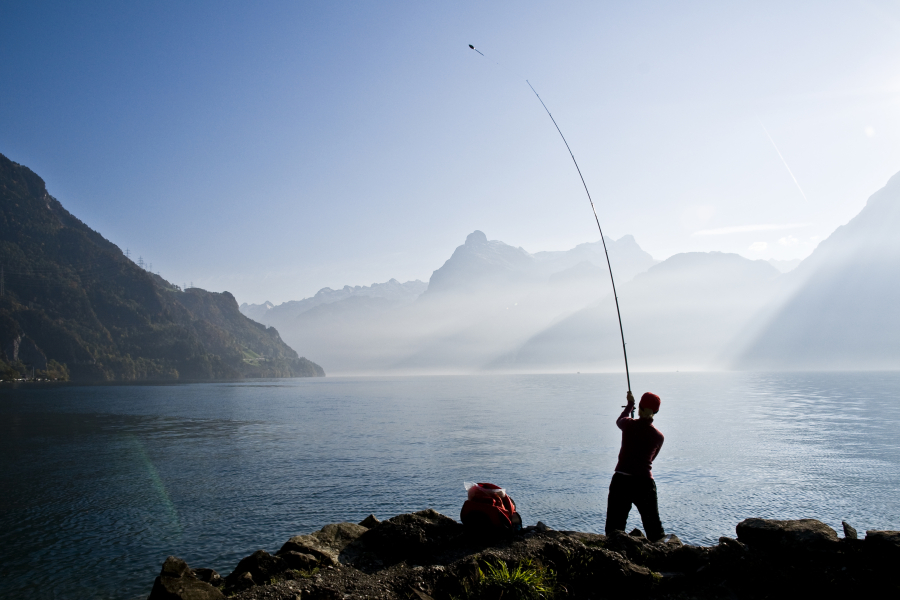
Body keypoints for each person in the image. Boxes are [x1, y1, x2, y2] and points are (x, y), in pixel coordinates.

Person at [604, 390, 665, 541]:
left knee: (614, 528)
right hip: (645, 484)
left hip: (622, 481)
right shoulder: (658, 437)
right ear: (656, 411)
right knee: (654, 528)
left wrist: (630, 404)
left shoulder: (628, 425)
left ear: (640, 407)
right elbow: (651, 459)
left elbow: (620, 419)